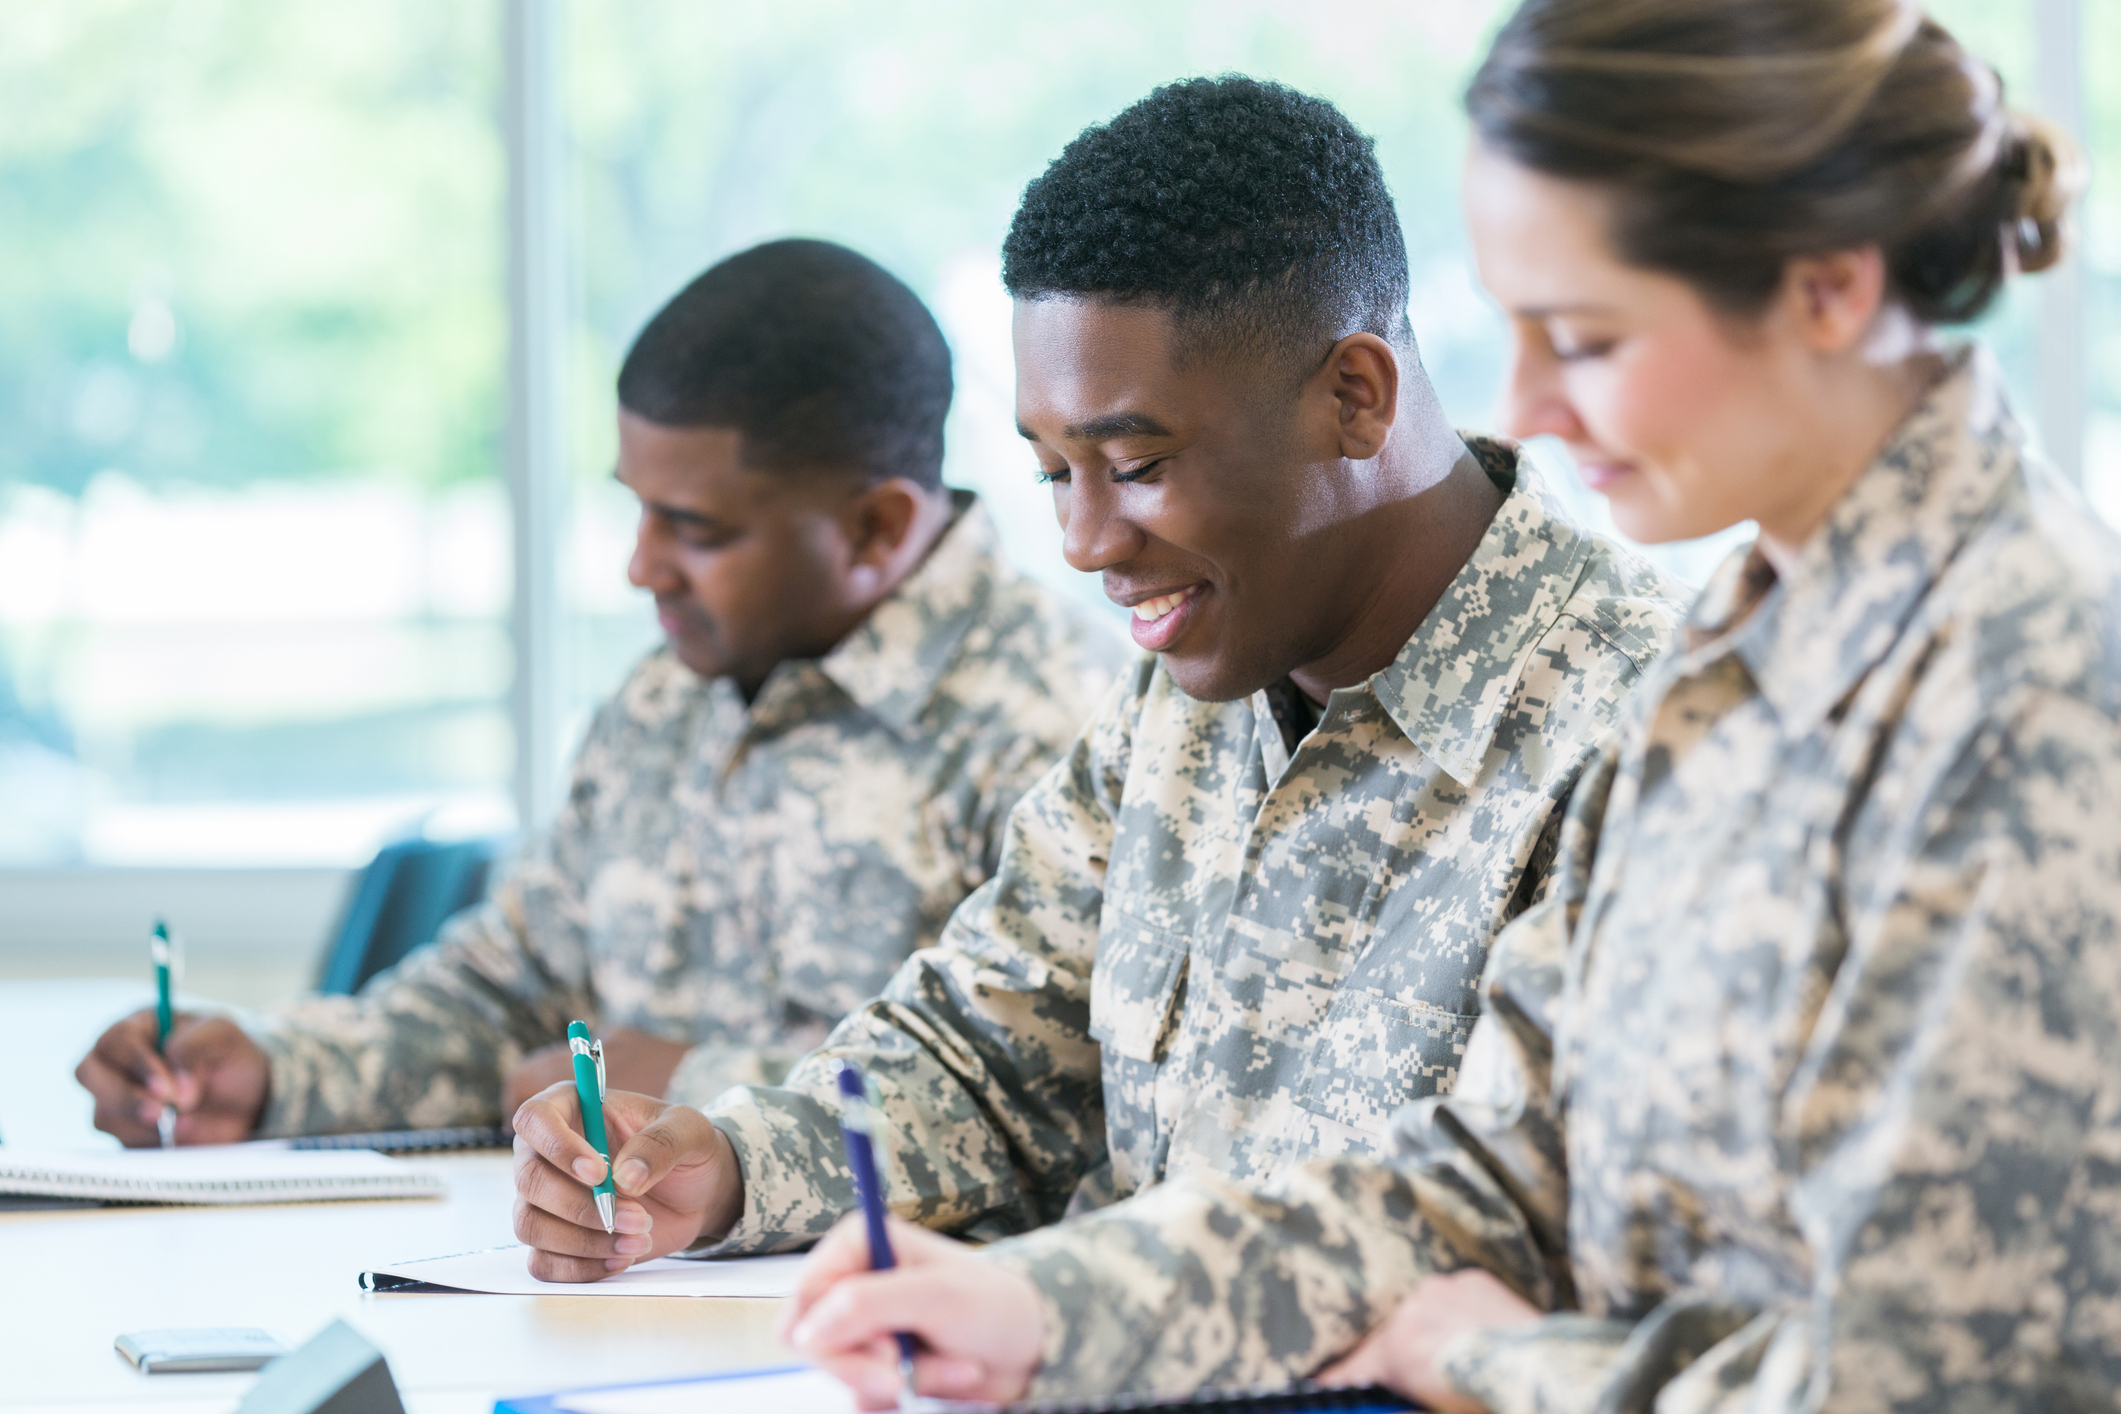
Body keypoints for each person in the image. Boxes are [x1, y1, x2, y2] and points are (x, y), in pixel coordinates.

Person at [773, 4, 2121, 1411]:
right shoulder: (1744, 654)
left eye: (1583, 337)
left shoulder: (2029, 692)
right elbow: (1492, 1167)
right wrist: (1044, 1309)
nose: (1524, 402)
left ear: (1828, 290)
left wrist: (1488, 1358)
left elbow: (1942, 1384)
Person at [508, 77, 1685, 1283]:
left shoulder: (1644, 732)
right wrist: (725, 1163)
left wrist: (1047, 1313)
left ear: (1355, 398)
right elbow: (985, 1049)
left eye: (1135, 462)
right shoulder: (1192, 684)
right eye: (1053, 472)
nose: (1085, 540)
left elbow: (1534, 1242)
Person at [74, 238, 1126, 1146]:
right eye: (640, 510)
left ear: (877, 528)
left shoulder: (1066, 728)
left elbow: (1047, 1102)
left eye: (697, 529)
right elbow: (502, 992)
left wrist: (679, 1077)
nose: (642, 567)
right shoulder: (669, 694)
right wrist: (266, 1069)